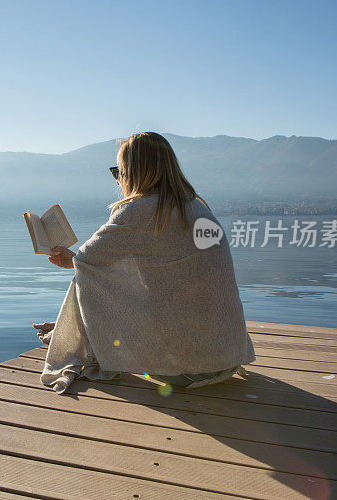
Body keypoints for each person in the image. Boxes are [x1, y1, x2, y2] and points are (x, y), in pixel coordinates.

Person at [33, 131, 255, 394]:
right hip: (224, 358)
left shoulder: (140, 209)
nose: (118, 180)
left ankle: (76, 340)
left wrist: (73, 331)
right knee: (103, 275)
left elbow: (86, 262)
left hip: (184, 371)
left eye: (119, 172)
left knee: (87, 275)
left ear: (135, 173)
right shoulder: (195, 206)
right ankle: (71, 332)